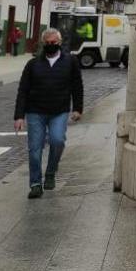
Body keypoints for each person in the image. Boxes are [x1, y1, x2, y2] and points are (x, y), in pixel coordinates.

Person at [13, 28, 83, 199]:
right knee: (35, 149)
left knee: (57, 140)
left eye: (54, 43)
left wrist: (78, 108)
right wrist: (19, 116)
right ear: (43, 43)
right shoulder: (33, 64)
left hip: (59, 111)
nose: (51, 45)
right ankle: (36, 184)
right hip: (35, 111)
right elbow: (23, 89)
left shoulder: (70, 62)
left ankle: (51, 172)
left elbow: (77, 86)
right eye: (48, 43)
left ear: (59, 43)